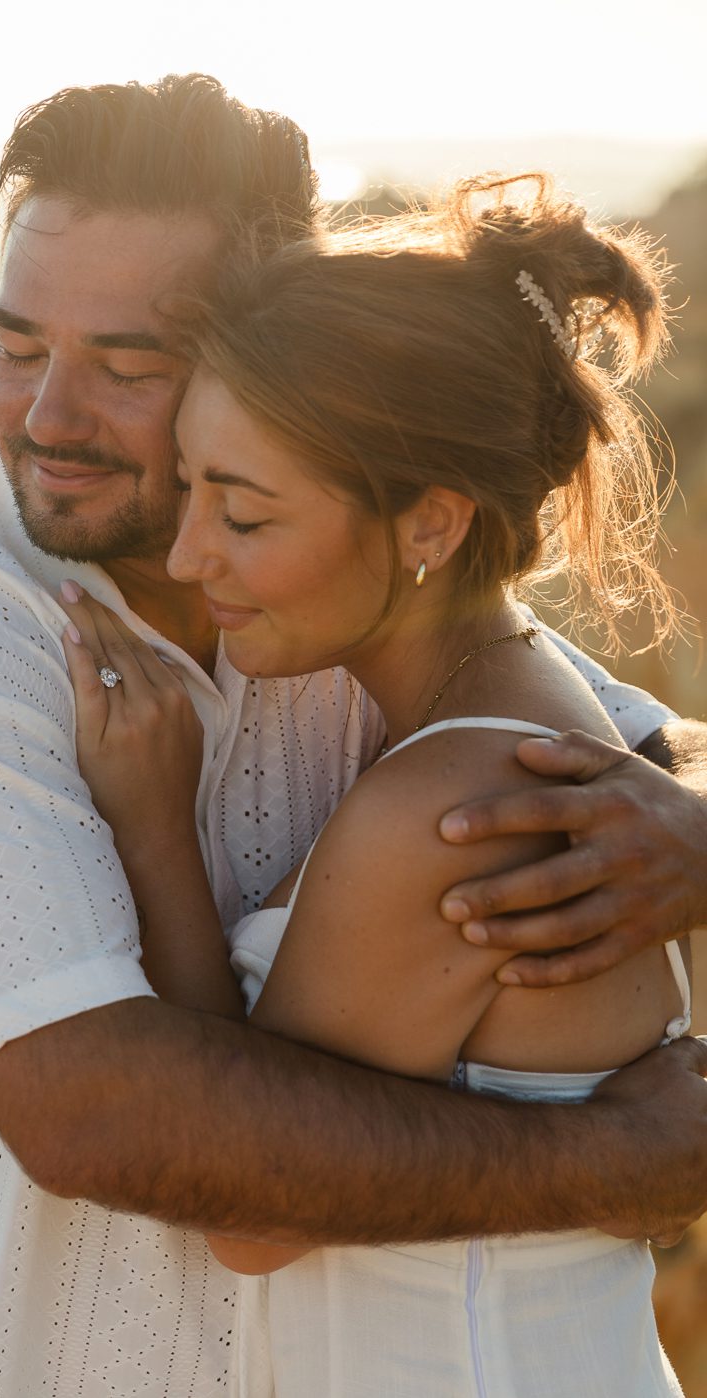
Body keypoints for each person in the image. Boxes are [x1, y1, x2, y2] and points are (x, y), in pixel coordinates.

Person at [0, 76, 707, 1396]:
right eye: (18, 347)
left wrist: (696, 825)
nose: (48, 418)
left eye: (128, 366)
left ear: (259, 355)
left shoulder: (331, 605)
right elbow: (102, 1112)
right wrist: (603, 1161)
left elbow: (630, 745)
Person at [57, 174, 695, 1395]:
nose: (188, 556)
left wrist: (153, 833)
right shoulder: (555, 724)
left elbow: (251, 1211)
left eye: (245, 516)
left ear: (430, 526)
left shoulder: (451, 808)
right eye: (189, 486)